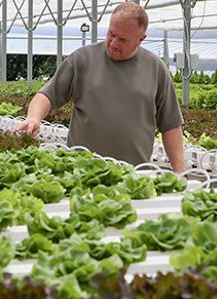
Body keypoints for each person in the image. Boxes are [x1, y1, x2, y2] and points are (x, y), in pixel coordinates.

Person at [13, 2, 185, 173]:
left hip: (133, 176)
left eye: (122, 39)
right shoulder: (83, 59)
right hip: (81, 171)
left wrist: (180, 172)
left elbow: (170, 124)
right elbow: (48, 95)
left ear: (141, 39)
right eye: (111, 34)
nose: (114, 43)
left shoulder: (155, 68)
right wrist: (33, 117)